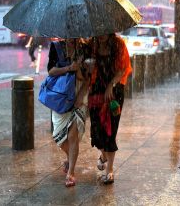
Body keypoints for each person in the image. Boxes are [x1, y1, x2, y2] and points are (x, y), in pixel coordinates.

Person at [87, 33, 132, 185]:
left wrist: (110, 85)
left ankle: (110, 171)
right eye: (98, 31)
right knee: (96, 132)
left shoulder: (119, 44)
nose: (100, 35)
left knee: (110, 131)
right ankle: (104, 155)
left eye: (103, 31)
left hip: (114, 93)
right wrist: (87, 65)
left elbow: (123, 69)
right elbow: (85, 68)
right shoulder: (91, 44)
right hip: (95, 92)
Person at [47, 38, 89, 187]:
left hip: (79, 94)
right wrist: (69, 68)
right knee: (58, 135)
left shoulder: (84, 48)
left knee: (73, 135)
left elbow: (88, 78)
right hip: (61, 96)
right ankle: (70, 158)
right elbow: (51, 71)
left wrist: (80, 94)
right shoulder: (57, 47)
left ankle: (71, 172)